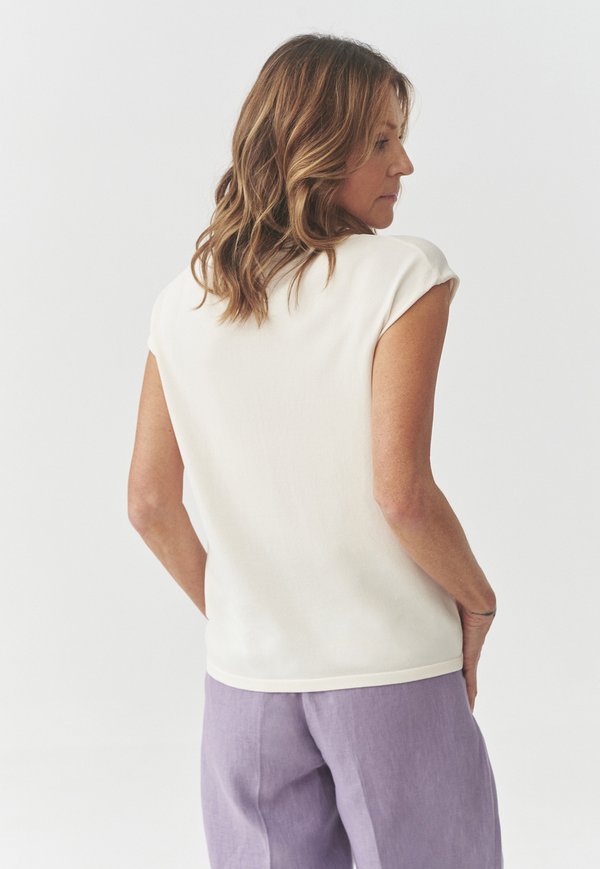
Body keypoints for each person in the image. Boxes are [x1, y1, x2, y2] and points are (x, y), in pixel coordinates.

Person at [128, 32, 503, 869]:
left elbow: (149, 502)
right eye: (380, 140)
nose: (404, 163)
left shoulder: (184, 299)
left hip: (244, 692)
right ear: (316, 143)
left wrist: (249, 614)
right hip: (389, 671)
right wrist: (478, 601)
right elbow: (401, 493)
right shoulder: (404, 273)